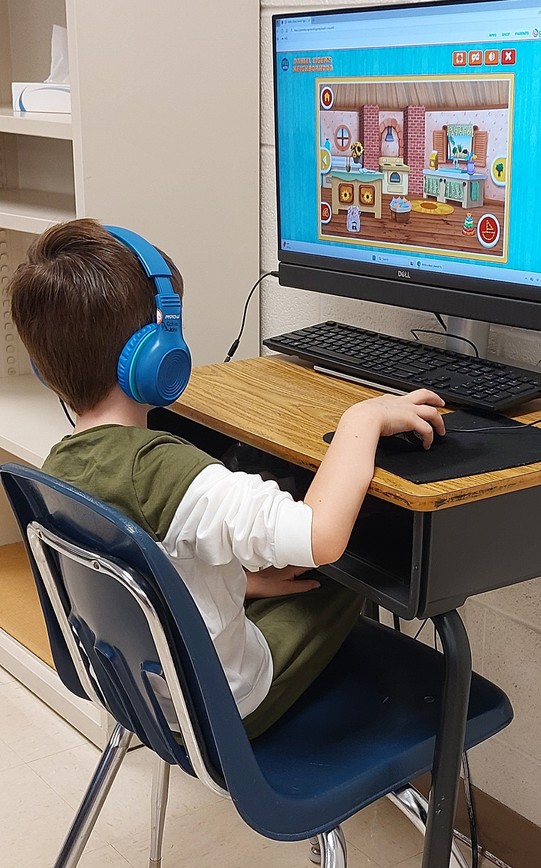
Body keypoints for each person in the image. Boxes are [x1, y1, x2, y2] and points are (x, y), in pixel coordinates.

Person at [9, 218, 445, 738]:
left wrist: (243, 583)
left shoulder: (59, 466)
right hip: (225, 708)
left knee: (276, 572)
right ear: (156, 352)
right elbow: (319, 536)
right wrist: (363, 419)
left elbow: (154, 563)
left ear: (45, 367)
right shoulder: (161, 470)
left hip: (138, 692)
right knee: (352, 568)